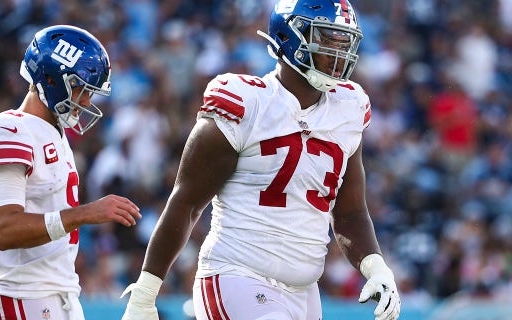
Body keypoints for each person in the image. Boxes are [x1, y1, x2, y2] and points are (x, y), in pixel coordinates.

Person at [121, 0, 401, 319]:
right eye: (327, 39)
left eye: (344, 42)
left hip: (304, 292)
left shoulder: (348, 108)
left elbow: (349, 212)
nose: (339, 52)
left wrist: (377, 268)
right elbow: (185, 203)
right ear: (289, 36)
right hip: (237, 275)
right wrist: (144, 295)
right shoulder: (247, 103)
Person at [0, 25, 142, 320]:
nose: (86, 101)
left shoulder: (54, 133)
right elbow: (4, 229)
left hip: (57, 296)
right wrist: (85, 214)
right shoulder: (8, 130)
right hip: (23, 298)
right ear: (50, 79)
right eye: (82, 89)